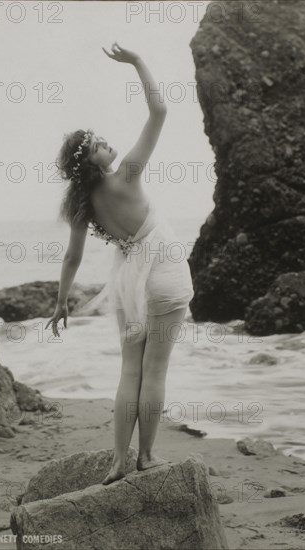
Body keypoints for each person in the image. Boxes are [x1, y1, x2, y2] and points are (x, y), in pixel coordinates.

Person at [45, 42, 194, 485]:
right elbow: (160, 111)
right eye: (99, 145)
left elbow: (72, 257)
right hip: (162, 271)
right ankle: (145, 457)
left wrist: (60, 302)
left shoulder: (81, 204)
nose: (109, 145)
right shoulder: (125, 175)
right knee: (155, 371)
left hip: (129, 281)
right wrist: (138, 62)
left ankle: (116, 462)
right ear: (90, 162)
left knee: (130, 370)